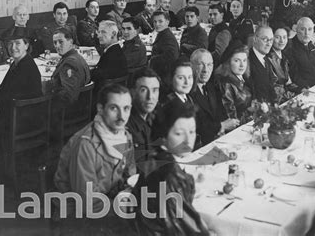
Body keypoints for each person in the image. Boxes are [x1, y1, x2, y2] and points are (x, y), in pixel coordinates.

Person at [54, 83, 136, 215]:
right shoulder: (86, 145)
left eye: (126, 108)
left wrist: (129, 194)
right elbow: (88, 204)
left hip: (109, 203)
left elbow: (130, 176)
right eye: (114, 108)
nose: (121, 116)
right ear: (100, 109)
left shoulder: (125, 136)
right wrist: (125, 209)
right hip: (77, 215)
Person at [134, 100, 209, 236]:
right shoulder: (169, 174)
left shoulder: (155, 160)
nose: (188, 140)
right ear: (162, 137)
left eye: (192, 131)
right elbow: (185, 229)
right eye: (179, 134)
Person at [189, 49, 239, 145]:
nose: (205, 70)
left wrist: (222, 129)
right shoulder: (189, 91)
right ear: (191, 66)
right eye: (201, 64)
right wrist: (221, 126)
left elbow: (220, 112)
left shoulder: (211, 87)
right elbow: (197, 126)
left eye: (209, 65)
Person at [126, 67, 161, 168]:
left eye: (155, 90)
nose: (150, 97)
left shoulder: (157, 118)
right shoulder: (125, 125)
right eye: (144, 90)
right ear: (132, 93)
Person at [284, 17, 315, 90]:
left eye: (310, 29)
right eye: (303, 29)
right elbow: (294, 76)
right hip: (303, 89)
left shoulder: (312, 45)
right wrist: (308, 88)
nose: (307, 33)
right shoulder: (290, 47)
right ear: (296, 30)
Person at [51, 28, 91, 105]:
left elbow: (69, 96)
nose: (57, 46)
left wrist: (52, 93)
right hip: (82, 105)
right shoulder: (77, 56)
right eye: (55, 42)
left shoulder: (69, 63)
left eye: (61, 42)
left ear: (70, 42)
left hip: (68, 111)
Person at [0, 35, 42, 102]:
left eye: (17, 43)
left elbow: (11, 93)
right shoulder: (17, 62)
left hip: (22, 109)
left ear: (26, 46)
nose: (13, 47)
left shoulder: (26, 65)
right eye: (10, 43)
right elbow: (3, 87)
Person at [215, 44, 253, 123]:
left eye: (244, 60)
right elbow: (232, 118)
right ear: (228, 63)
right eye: (237, 61)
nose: (242, 65)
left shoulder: (244, 79)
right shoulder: (226, 84)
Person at [91, 21, 128, 86]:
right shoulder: (115, 50)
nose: (99, 36)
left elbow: (99, 76)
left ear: (113, 34)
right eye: (99, 32)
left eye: (103, 32)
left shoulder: (112, 55)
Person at [267, 27, 299, 102]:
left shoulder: (284, 56)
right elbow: (275, 89)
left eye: (284, 37)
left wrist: (301, 89)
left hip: (287, 95)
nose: (282, 41)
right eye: (277, 37)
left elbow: (289, 83)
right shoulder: (269, 58)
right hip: (278, 100)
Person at [249, 26, 277, 103]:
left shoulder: (266, 59)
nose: (269, 44)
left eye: (271, 40)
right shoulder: (247, 61)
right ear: (255, 39)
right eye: (265, 39)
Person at [149, 11, 179, 81]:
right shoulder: (163, 33)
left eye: (160, 21)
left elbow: (172, 56)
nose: (157, 24)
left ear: (167, 22)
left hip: (165, 77)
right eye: (155, 22)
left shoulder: (167, 37)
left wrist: (152, 60)